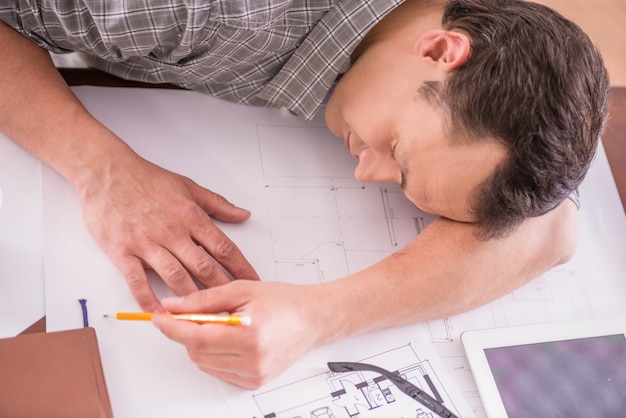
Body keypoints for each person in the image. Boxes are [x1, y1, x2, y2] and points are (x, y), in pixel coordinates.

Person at [0, 0, 608, 389]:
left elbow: (550, 232)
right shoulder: (180, 12)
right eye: (396, 151)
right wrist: (100, 166)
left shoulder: (501, 54)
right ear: (437, 51)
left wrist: (318, 316)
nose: (369, 176)